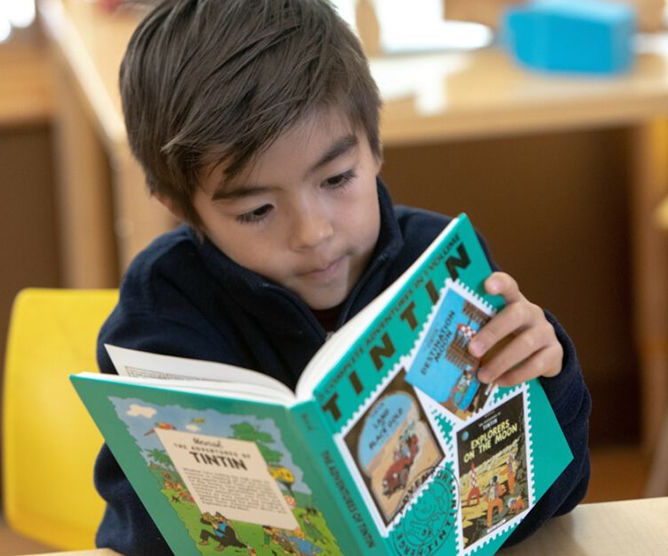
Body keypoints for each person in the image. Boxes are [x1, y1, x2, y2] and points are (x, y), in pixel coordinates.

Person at [93, 1, 591, 554]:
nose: (312, 233)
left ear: (374, 148)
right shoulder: (163, 310)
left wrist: (545, 378)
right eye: (257, 210)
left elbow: (550, 498)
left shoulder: (439, 264)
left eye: (336, 179)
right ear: (184, 209)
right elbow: (135, 529)